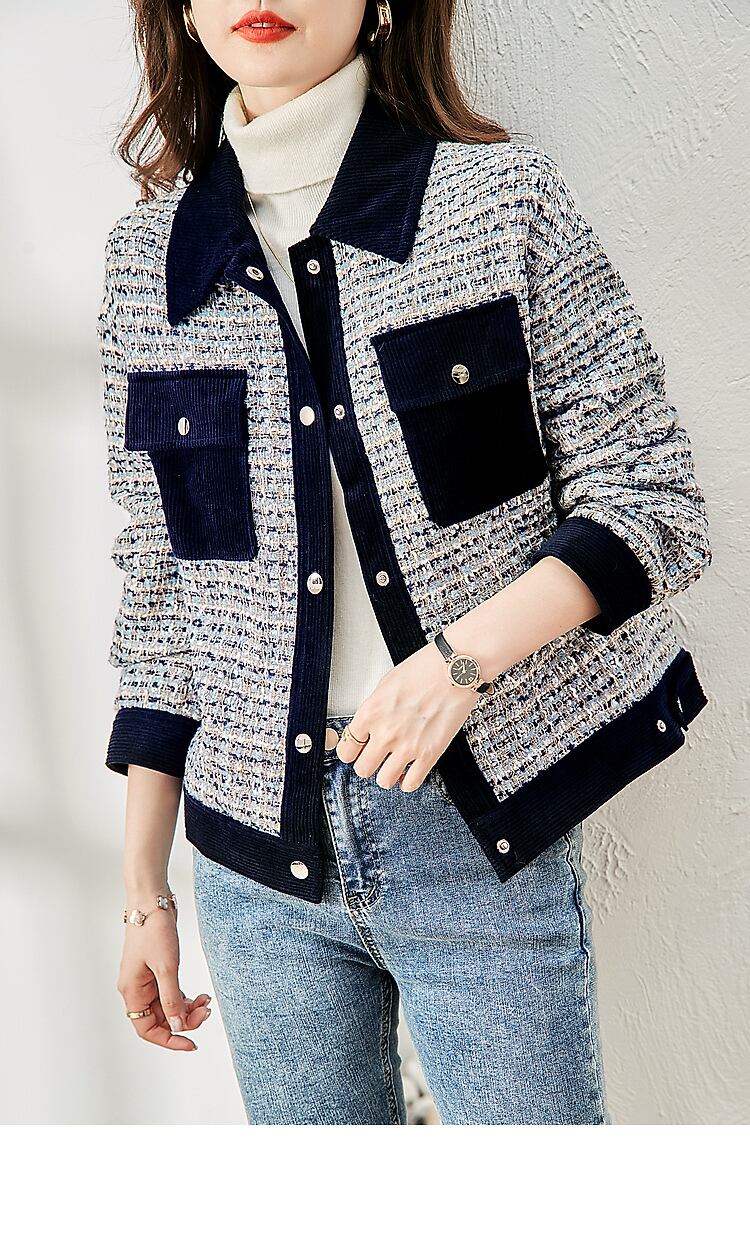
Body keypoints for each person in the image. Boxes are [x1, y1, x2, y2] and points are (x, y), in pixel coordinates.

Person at [102, 0, 712, 1125]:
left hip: (476, 831)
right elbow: (160, 589)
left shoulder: (499, 201)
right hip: (253, 863)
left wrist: (458, 664)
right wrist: (145, 891)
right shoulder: (149, 262)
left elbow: (651, 495)